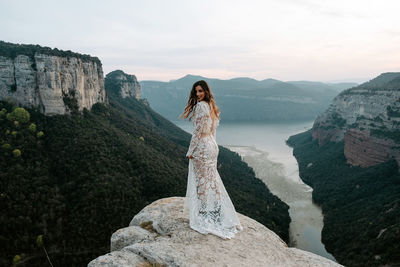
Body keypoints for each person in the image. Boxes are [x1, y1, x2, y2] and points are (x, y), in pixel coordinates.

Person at [181, 80, 243, 239]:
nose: (198, 94)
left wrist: (190, 150)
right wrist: (215, 147)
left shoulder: (201, 106)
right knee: (212, 180)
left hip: (202, 146)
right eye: (196, 92)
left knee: (201, 181)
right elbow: (213, 131)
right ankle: (217, 213)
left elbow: (196, 132)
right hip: (212, 146)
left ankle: (204, 215)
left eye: (200, 91)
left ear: (206, 91)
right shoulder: (211, 107)